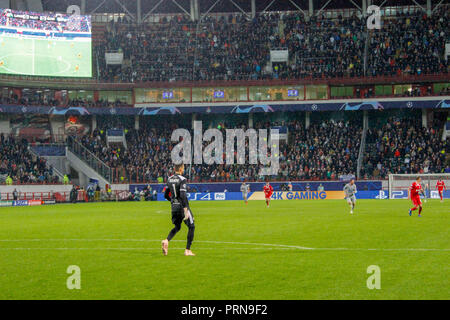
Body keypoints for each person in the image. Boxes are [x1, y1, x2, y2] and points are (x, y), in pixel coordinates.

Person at [161, 164, 195, 256]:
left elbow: (165, 195)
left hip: (174, 207)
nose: (183, 170)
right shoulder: (182, 179)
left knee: (178, 227)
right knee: (191, 226)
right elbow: (183, 195)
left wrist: (172, 201)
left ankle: (166, 240)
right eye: (183, 168)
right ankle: (187, 250)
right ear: (180, 169)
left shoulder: (169, 179)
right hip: (181, 207)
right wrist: (185, 210)